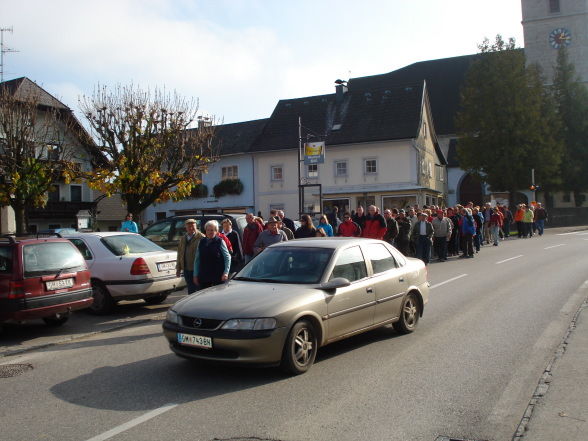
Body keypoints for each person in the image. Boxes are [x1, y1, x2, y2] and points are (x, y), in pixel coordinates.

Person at [193, 220, 231, 289]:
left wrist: (226, 273)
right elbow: (197, 259)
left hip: (218, 276)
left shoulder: (220, 241)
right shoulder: (201, 242)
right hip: (204, 276)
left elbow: (227, 257)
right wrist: (195, 275)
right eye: (208, 230)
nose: (210, 232)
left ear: (216, 231)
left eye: (212, 230)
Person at [176, 219, 204, 294]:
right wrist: (178, 269)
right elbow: (180, 254)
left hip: (197, 269)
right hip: (186, 269)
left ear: (196, 226)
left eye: (193, 226)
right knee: (190, 290)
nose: (191, 228)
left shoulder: (201, 237)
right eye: (189, 226)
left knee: (199, 290)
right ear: (186, 227)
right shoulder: (183, 238)